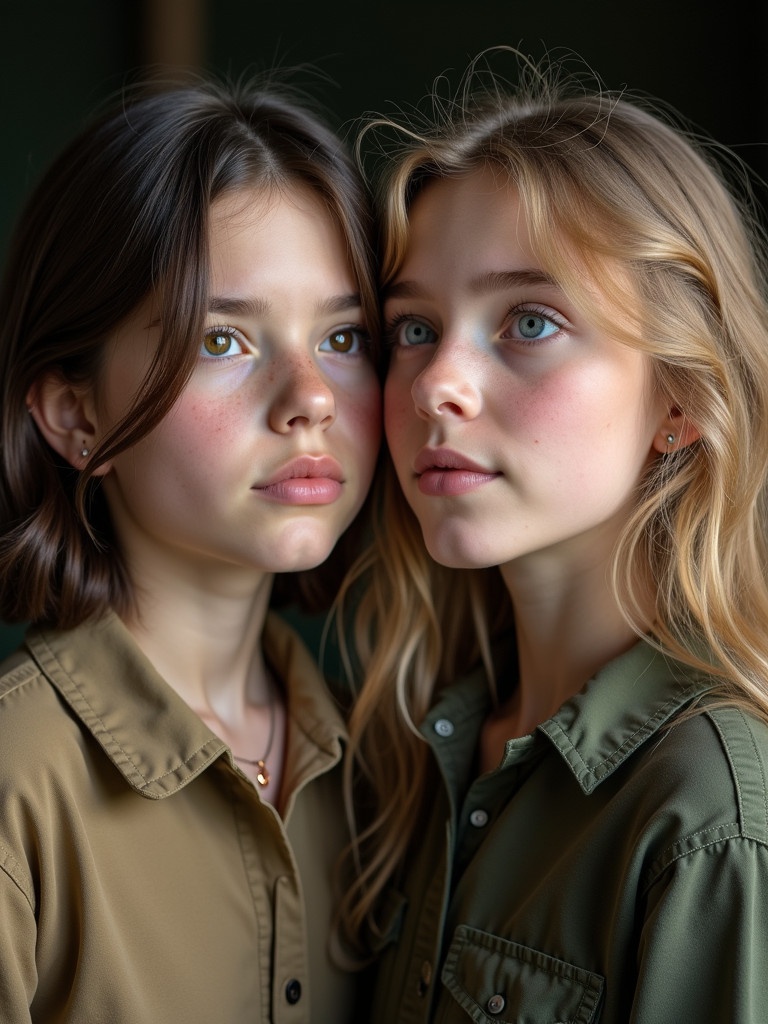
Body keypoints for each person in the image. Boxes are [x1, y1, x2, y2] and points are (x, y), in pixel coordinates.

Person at [339, 51, 768, 1022]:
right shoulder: (408, 758)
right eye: (412, 328)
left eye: (528, 320)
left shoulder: (711, 816)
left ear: (682, 395)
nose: (437, 383)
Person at [0, 74, 381, 1022]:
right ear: (75, 414)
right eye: (222, 341)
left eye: (343, 335)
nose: (311, 397)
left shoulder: (394, 768)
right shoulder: (16, 788)